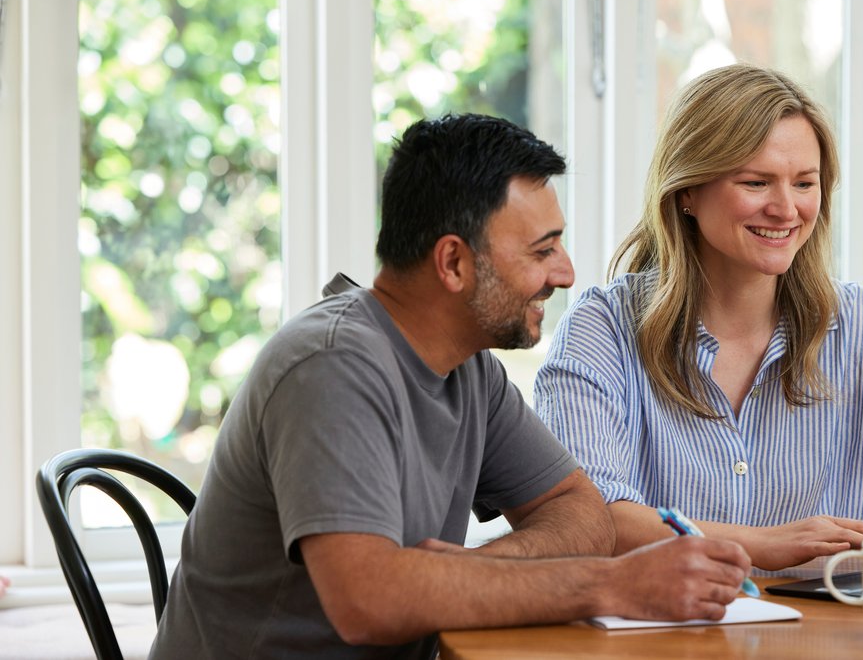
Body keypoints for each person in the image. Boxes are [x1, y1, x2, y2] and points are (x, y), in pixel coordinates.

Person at [149, 114, 751, 660]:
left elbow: (582, 514)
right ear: (454, 264)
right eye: (543, 250)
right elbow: (369, 601)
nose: (565, 273)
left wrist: (470, 570)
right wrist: (616, 585)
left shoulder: (469, 369)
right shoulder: (330, 367)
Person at [534, 64, 863, 573]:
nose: (786, 208)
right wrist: (759, 545)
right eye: (756, 182)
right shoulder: (604, 329)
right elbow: (589, 518)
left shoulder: (857, 326)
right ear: (687, 191)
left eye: (805, 183)